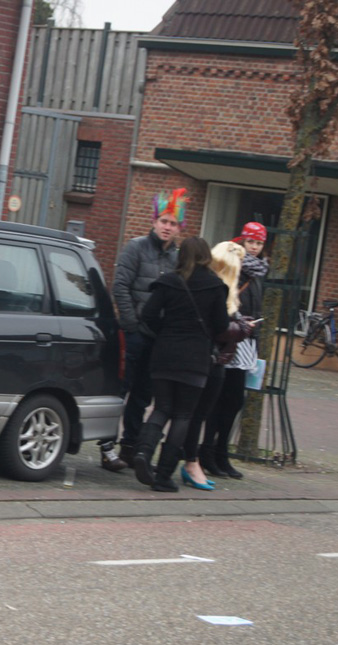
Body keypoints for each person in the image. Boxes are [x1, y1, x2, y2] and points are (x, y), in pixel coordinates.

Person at [132, 237, 229, 492]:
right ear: (206, 256)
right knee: (183, 415)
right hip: (195, 358)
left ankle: (142, 452)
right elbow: (221, 326)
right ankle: (164, 475)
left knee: (161, 408)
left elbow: (148, 315)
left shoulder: (168, 282)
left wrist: (165, 331)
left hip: (164, 353)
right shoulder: (215, 286)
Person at [106, 188, 182, 471]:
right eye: (164, 221)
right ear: (154, 221)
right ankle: (107, 446)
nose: (167, 227)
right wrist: (132, 325)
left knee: (143, 394)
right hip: (134, 333)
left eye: (173, 223)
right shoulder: (136, 248)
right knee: (121, 390)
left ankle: (130, 446)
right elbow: (121, 286)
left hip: (158, 337)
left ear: (179, 228)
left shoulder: (177, 259)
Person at [201, 223, 269, 479]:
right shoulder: (233, 265)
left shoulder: (259, 272)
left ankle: (220, 452)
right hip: (232, 338)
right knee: (222, 399)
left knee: (234, 401)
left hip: (247, 340)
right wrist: (240, 321)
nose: (254, 247)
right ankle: (209, 452)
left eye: (259, 243)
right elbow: (227, 300)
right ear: (242, 241)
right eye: (250, 242)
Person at [185, 241, 253, 484]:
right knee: (204, 408)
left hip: (232, 352)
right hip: (215, 354)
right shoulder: (217, 287)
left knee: (229, 403)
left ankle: (212, 454)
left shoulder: (249, 280)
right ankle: (199, 456)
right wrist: (242, 327)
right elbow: (219, 326)